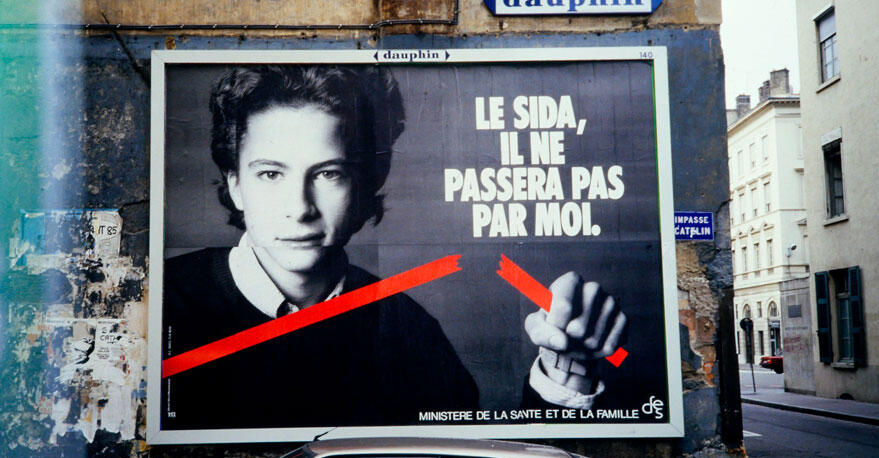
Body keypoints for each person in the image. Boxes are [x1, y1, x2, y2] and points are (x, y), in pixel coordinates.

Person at [162, 65, 626, 431]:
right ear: (236, 186)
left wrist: (566, 369)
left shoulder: (411, 332)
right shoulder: (162, 306)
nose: (299, 208)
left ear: (364, 187)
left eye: (328, 173)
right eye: (270, 174)